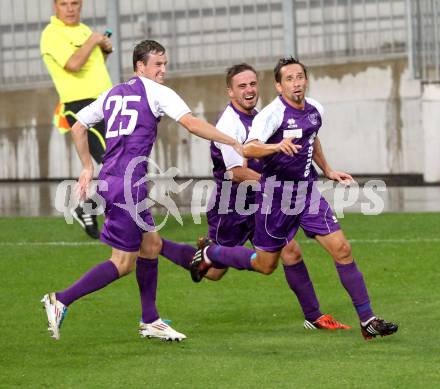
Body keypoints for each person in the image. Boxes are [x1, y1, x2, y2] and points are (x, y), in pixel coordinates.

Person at [41, 40, 243, 341]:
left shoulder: (113, 93)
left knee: (150, 245)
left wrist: (87, 167)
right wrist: (232, 141)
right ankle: (61, 299)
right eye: (157, 64)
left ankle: (151, 320)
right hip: (126, 188)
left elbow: (78, 127)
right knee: (122, 262)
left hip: (115, 181)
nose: (163, 69)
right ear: (141, 67)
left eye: (165, 63)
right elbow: (190, 123)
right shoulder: (158, 93)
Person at [190, 57, 398, 340]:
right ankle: (211, 252)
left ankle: (368, 320)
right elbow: (249, 151)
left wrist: (328, 170)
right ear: (278, 85)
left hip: (306, 193)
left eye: (299, 77)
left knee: (342, 249)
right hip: (274, 200)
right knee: (265, 265)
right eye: (289, 79)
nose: (296, 83)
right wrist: (277, 147)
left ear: (306, 80)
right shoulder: (270, 115)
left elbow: (312, 137)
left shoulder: (314, 110)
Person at [160, 63, 350, 330]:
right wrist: (275, 184)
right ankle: (162, 246)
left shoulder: (262, 116)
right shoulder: (229, 124)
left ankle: (314, 316)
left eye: (252, 84)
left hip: (263, 200)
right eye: (242, 86)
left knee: (291, 251)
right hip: (233, 206)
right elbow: (237, 172)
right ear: (230, 92)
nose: (249, 90)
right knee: (214, 273)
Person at [40, 0, 113, 239]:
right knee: (114, 160)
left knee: (125, 161)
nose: (70, 8)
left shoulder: (83, 30)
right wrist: (93, 40)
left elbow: (93, 66)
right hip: (80, 106)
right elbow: (73, 65)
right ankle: (113, 215)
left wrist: (104, 49)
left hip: (106, 103)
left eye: (75, 3)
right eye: (64, 4)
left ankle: (89, 207)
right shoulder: (52, 34)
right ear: (55, 7)